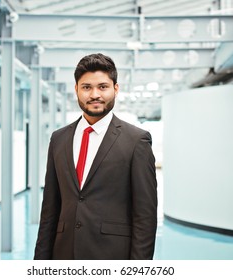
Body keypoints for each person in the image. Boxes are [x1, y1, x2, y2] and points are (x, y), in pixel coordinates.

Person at [34, 53, 157, 260]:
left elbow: (145, 216)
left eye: (102, 87)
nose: (94, 94)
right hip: (63, 255)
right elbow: (50, 210)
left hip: (112, 256)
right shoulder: (59, 139)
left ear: (115, 89)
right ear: (76, 90)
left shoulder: (137, 141)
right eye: (86, 87)